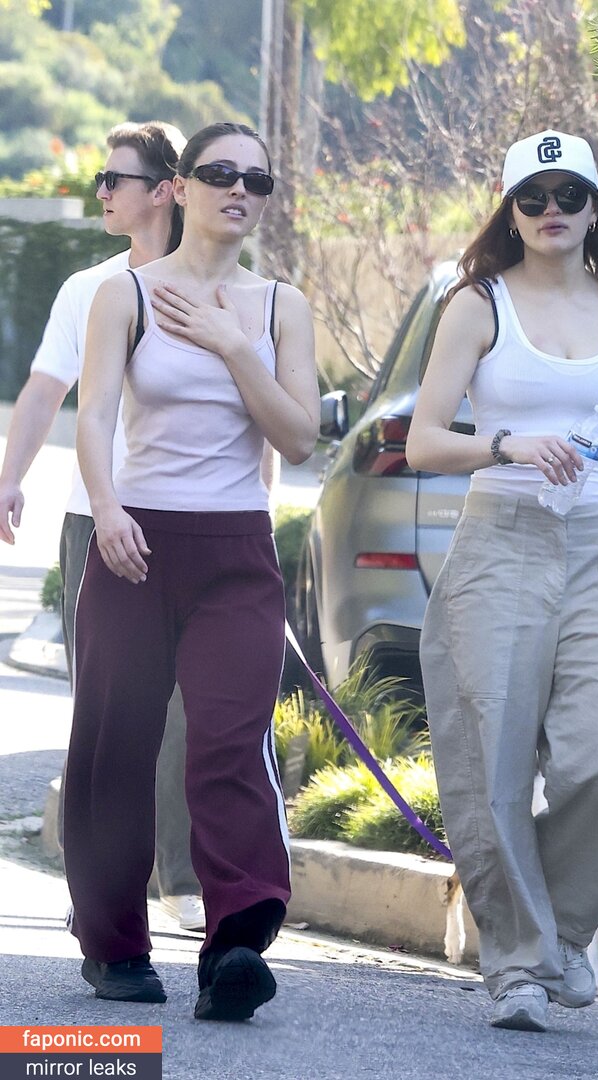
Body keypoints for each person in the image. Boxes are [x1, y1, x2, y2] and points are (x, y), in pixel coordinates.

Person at [406, 129, 598, 1033]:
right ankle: (519, 965)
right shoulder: (478, 306)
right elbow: (423, 440)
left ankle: (560, 933)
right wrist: (507, 445)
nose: (552, 210)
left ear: (596, 209)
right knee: (491, 763)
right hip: (501, 540)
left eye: (569, 194)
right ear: (511, 212)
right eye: (533, 196)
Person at [64, 121, 320, 1021]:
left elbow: (299, 436)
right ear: (179, 187)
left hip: (236, 552)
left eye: (258, 178)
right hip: (134, 544)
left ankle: (236, 943)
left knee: (228, 740)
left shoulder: (281, 305)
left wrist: (233, 344)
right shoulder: (125, 294)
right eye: (219, 173)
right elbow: (94, 416)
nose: (239, 189)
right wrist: (105, 509)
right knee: (115, 745)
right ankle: (114, 945)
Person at [0, 121, 205, 933]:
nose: (101, 192)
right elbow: (45, 389)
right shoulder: (86, 289)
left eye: (113, 179)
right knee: (106, 711)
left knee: (188, 708)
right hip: (96, 521)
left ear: (165, 190)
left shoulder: (220, 285)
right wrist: (9, 478)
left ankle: (181, 879)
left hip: (193, 523)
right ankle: (100, 886)